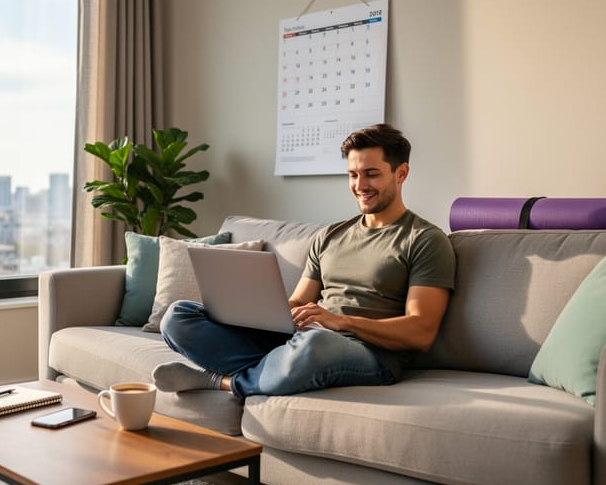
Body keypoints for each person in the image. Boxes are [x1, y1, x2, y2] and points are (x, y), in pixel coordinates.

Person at [152, 123, 456, 398]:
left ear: (401, 173)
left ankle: (223, 382)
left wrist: (343, 322)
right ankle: (275, 371)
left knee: (315, 346)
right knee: (178, 316)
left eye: (371, 174)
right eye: (353, 175)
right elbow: (299, 301)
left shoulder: (424, 239)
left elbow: (421, 331)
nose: (360, 185)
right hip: (300, 340)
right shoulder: (331, 236)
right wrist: (257, 314)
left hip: (366, 353)